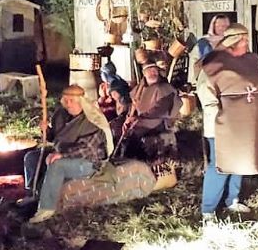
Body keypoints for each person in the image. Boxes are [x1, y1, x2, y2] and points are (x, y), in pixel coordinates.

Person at [197, 23, 258, 218]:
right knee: (221, 165)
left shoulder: (248, 62)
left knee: (240, 160)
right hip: (222, 124)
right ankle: (208, 209)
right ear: (233, 41)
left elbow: (253, 86)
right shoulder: (213, 65)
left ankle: (232, 199)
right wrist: (221, 115)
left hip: (245, 122)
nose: (247, 43)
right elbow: (205, 93)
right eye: (244, 40)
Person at [26, 85, 112, 224]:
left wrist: (62, 155)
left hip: (89, 162)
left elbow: (88, 149)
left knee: (57, 165)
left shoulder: (92, 120)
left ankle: (46, 208)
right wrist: (45, 131)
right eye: (65, 100)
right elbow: (54, 138)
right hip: (62, 152)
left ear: (81, 101)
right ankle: (32, 193)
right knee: (31, 157)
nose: (68, 104)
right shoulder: (61, 115)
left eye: (72, 100)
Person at [121, 63, 182, 165]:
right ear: (144, 73)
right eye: (149, 70)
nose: (153, 73)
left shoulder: (164, 88)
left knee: (141, 141)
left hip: (157, 124)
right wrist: (128, 119)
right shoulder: (139, 88)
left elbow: (160, 110)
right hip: (140, 122)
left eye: (155, 70)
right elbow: (133, 106)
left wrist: (138, 119)